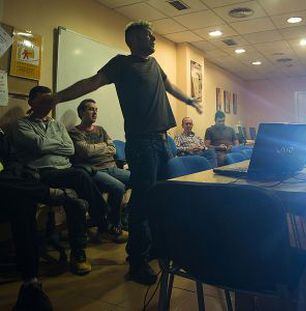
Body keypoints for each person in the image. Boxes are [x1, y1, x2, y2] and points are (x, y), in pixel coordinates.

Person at [35, 21, 202, 285]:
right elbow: (92, 83)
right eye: (149, 36)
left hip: (163, 141)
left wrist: (189, 100)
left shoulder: (155, 65)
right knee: (142, 203)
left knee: (159, 199)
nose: (154, 40)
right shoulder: (121, 64)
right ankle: (137, 262)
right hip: (142, 143)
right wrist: (57, 97)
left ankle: (153, 249)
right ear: (134, 39)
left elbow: (169, 86)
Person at [10, 86, 124, 247]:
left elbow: (69, 148)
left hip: (66, 169)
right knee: (82, 176)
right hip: (42, 172)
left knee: (81, 186)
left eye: (50, 101)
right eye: (44, 101)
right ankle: (105, 223)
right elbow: (40, 146)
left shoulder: (57, 125)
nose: (49, 105)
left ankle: (100, 228)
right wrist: (58, 144)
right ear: (31, 102)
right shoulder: (21, 124)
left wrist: (48, 145)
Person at [1, 125, 90, 310]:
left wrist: (14, 173)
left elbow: (12, 159)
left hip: (9, 188)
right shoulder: (23, 125)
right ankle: (51, 193)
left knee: (23, 204)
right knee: (27, 194)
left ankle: (30, 282)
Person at [69, 98, 129, 241]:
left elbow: (113, 148)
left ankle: (124, 217)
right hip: (94, 171)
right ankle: (113, 226)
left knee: (140, 180)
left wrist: (97, 148)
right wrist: (103, 147)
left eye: (96, 110)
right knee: (119, 188)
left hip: (112, 167)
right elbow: (86, 152)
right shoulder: (74, 132)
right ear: (81, 112)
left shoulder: (100, 129)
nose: (94, 112)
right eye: (90, 109)